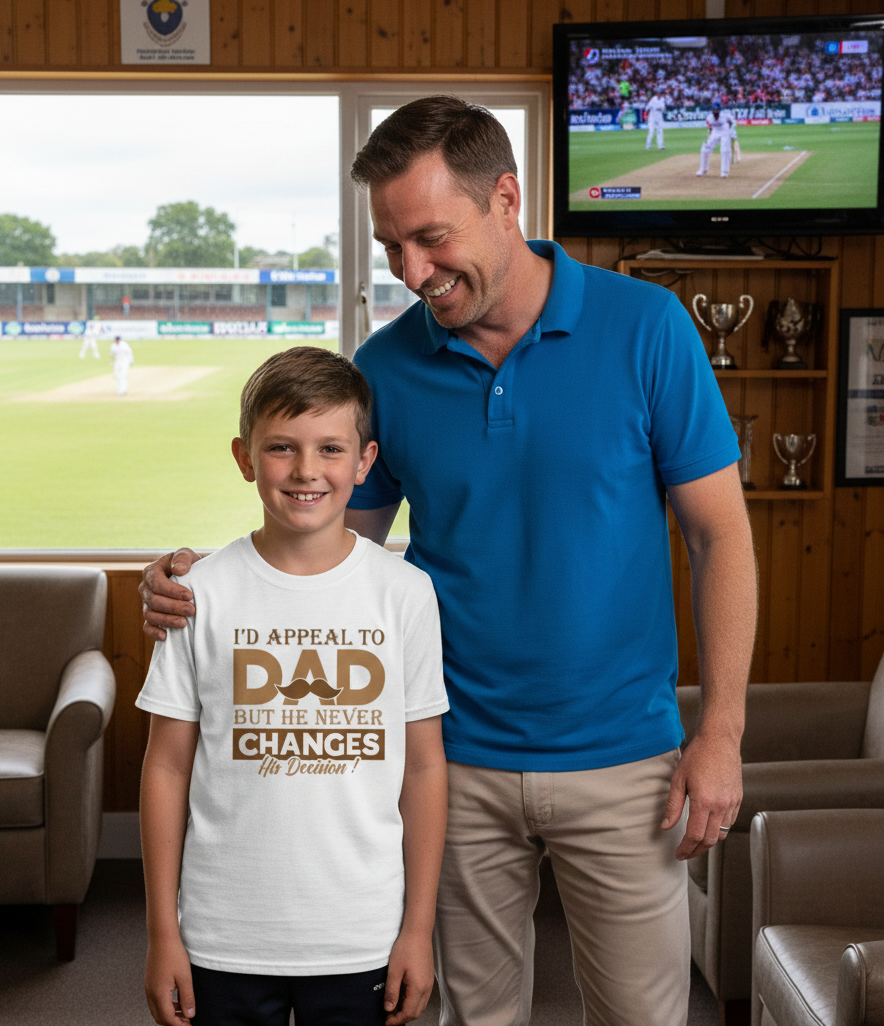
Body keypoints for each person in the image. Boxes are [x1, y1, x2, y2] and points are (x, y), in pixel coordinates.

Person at [141, 96, 758, 1026]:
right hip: (450, 761)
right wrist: (198, 576)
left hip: (625, 759)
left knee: (643, 1015)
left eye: (430, 238)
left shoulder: (647, 328)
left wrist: (720, 735)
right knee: (474, 1016)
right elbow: (323, 536)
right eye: (392, 247)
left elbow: (721, 536)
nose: (411, 272)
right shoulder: (385, 367)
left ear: (505, 198)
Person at [137, 346, 448, 1026]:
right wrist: (164, 932)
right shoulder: (197, 593)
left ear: (364, 462)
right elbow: (164, 766)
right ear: (244, 457)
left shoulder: (405, 594)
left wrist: (415, 931)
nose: (306, 470)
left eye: (330, 448)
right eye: (281, 447)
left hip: (361, 932)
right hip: (222, 936)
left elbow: (424, 766)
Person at [696, 100, 738, 177]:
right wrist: (710, 135)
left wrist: (732, 133)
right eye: (714, 110)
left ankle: (724, 171)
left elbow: (732, 123)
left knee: (725, 150)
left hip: (725, 130)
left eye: (717, 110)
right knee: (705, 148)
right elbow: (710, 127)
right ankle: (703, 169)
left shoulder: (725, 115)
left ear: (719, 110)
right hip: (715, 131)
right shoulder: (709, 117)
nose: (715, 111)